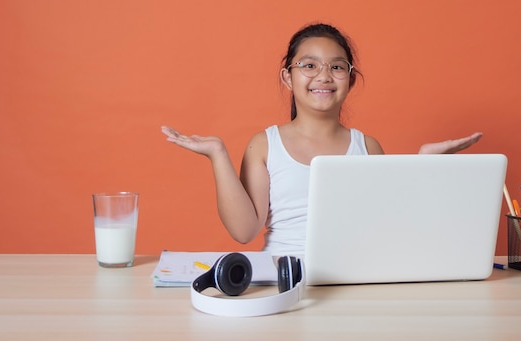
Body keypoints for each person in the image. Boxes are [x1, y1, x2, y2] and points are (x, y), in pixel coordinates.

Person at [161, 23, 482, 256]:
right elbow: (244, 232)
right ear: (288, 77)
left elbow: (391, 228)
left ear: (350, 79)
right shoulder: (264, 144)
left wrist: (424, 166)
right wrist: (217, 154)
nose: (324, 76)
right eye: (309, 65)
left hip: (355, 275)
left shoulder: (368, 148)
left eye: (337, 67)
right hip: (281, 274)